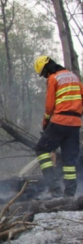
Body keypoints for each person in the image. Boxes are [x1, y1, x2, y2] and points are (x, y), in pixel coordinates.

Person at [33, 56, 82, 198]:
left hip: (60, 121)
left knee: (41, 149)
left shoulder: (54, 78)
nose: (45, 77)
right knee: (69, 159)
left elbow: (49, 107)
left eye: (44, 74)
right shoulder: (74, 77)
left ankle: (54, 189)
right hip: (75, 123)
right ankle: (69, 195)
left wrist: (46, 123)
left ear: (47, 69)